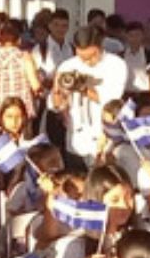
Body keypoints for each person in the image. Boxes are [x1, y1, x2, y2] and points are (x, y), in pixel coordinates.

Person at [50, 25, 128, 164]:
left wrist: (83, 87)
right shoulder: (67, 66)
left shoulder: (116, 65)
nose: (86, 62)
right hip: (75, 136)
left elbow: (111, 101)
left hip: (102, 136)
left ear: (100, 46)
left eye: (91, 56)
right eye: (82, 57)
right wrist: (58, 93)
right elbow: (55, 106)